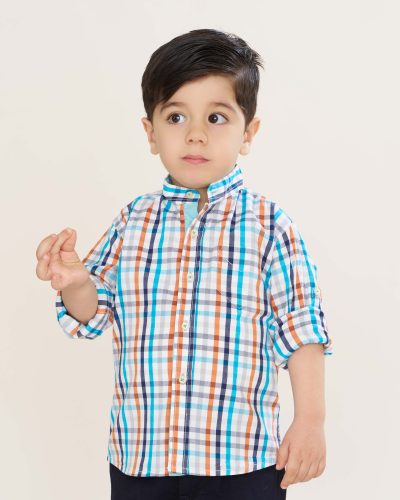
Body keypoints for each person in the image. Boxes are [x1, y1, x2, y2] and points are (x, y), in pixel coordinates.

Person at [35, 28, 333, 500]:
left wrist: (310, 421)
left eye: (217, 117)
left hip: (241, 461)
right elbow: (93, 314)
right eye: (176, 116)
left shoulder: (269, 226)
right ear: (151, 133)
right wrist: (74, 282)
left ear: (248, 133)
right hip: (141, 458)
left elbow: (301, 328)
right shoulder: (133, 220)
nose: (196, 133)